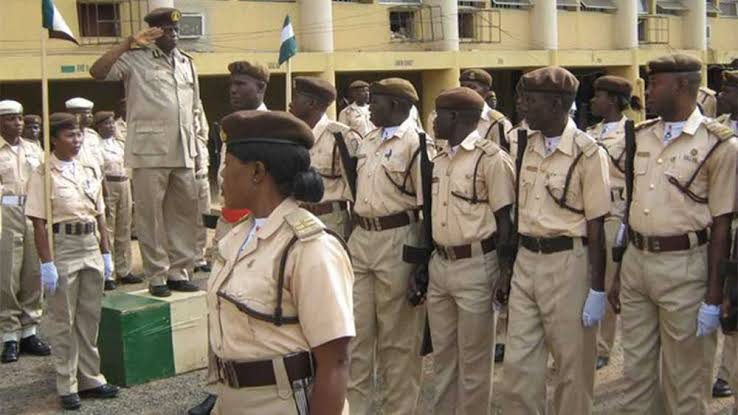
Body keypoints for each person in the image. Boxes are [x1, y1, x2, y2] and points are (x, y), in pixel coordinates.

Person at [609, 54, 738, 415]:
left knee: (686, 381)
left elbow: (722, 225)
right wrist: (619, 271)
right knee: (636, 376)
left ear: (682, 85)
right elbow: (632, 206)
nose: (647, 91)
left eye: (655, 84)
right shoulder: (640, 136)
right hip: (637, 263)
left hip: (686, 268)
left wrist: (713, 295)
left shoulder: (719, 145)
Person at [207, 110, 354, 414]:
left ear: (257, 171)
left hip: (281, 403)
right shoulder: (237, 237)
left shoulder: (309, 248)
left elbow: (335, 361)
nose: (221, 175)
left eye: (228, 165)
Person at [499, 66, 611, 415]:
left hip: (569, 264)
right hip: (527, 260)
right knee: (518, 367)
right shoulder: (525, 145)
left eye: (530, 100)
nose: (522, 106)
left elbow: (597, 226)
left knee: (572, 367)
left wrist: (597, 289)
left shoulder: (588, 153)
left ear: (557, 104)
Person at [90, 7, 204, 297]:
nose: (173, 34)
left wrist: (198, 152)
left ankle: (179, 272)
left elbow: (194, 110)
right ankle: (157, 276)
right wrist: (128, 42)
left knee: (184, 215)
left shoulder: (186, 63)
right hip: (149, 151)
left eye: (176, 30)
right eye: (166, 30)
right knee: (150, 217)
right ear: (152, 32)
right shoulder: (134, 59)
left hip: (184, 149)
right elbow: (97, 72)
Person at [188, 59, 271, 415]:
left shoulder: (273, 127)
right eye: (231, 84)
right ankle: (217, 385)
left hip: (258, 225)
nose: (233, 90)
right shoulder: (231, 126)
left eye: (241, 84)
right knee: (218, 301)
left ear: (261, 88)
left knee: (252, 302)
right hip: (228, 224)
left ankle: (252, 380)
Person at [428, 87, 515, 414]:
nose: (433, 121)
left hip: (477, 266)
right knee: (443, 358)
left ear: (455, 117)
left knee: (475, 361)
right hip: (441, 264)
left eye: (438, 114)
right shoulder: (439, 159)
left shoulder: (491, 159)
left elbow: (505, 221)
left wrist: (504, 273)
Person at [26, 113, 119, 410]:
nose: (77, 140)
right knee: (63, 320)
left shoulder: (87, 169)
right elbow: (39, 223)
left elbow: (100, 215)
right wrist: (47, 263)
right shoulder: (43, 174)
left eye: (78, 134)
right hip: (63, 246)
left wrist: (106, 252)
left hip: (90, 242)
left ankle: (91, 378)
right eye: (69, 135)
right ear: (54, 139)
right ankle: (67, 384)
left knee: (89, 317)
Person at [347, 78, 429, 415]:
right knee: (355, 336)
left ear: (396, 105)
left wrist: (421, 264)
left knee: (399, 341)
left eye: (376, 101)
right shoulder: (368, 140)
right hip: (361, 239)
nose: (369, 107)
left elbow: (427, 209)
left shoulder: (417, 145)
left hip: (398, 240)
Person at [586, 75, 634, 371]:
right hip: (588, 214)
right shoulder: (590, 133)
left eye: (599, 96)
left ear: (614, 100)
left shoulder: (632, 134)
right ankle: (586, 341)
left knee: (606, 280)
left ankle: (602, 346)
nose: (593, 101)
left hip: (615, 212)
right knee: (586, 278)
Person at [0, 100, 50, 364]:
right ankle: (9, 334)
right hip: (5, 213)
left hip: (31, 212)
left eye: (19, 118)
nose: (18, 123)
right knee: (8, 274)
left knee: (33, 272)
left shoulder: (34, 149)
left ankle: (30, 330)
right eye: (11, 118)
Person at [289, 76, 361, 240]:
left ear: (311, 103)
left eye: (296, 98)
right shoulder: (291, 136)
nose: (290, 103)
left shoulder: (342, 136)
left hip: (330, 221)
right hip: (296, 218)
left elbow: (356, 187)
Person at [710, 69, 738, 399]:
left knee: (735, 298)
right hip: (718, 224)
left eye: (729, 91)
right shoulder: (715, 131)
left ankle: (727, 372)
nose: (721, 96)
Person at [94, 111, 141, 289]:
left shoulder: (119, 144)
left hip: (124, 183)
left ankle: (124, 270)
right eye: (106, 123)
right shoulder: (96, 145)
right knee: (108, 229)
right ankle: (109, 272)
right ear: (98, 127)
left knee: (124, 227)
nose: (111, 126)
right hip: (109, 185)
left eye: (112, 123)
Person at [426, 69, 513, 150]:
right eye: (462, 86)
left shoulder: (497, 122)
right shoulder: (449, 116)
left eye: (472, 87)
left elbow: (503, 156)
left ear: (486, 92)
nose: (466, 91)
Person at [66, 98, 104, 180]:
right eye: (87, 113)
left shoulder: (93, 135)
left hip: (95, 180)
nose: (91, 116)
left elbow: (100, 162)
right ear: (76, 115)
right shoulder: (67, 136)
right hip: (77, 180)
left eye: (91, 112)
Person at [193, 102, 211, 274]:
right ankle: (187, 259)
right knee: (186, 221)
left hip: (203, 179)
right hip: (188, 181)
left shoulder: (201, 142)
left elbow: (204, 130)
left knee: (202, 220)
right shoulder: (183, 142)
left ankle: (199, 257)